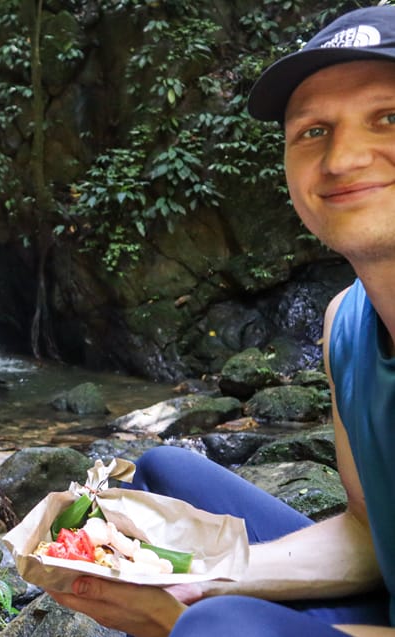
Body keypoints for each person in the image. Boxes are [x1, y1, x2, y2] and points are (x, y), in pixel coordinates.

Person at [47, 6, 395, 637]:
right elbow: (372, 533)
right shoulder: (346, 322)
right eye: (313, 131)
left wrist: (180, 621)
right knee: (164, 479)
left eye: (389, 117)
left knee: (220, 628)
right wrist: (199, 576)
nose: (343, 158)